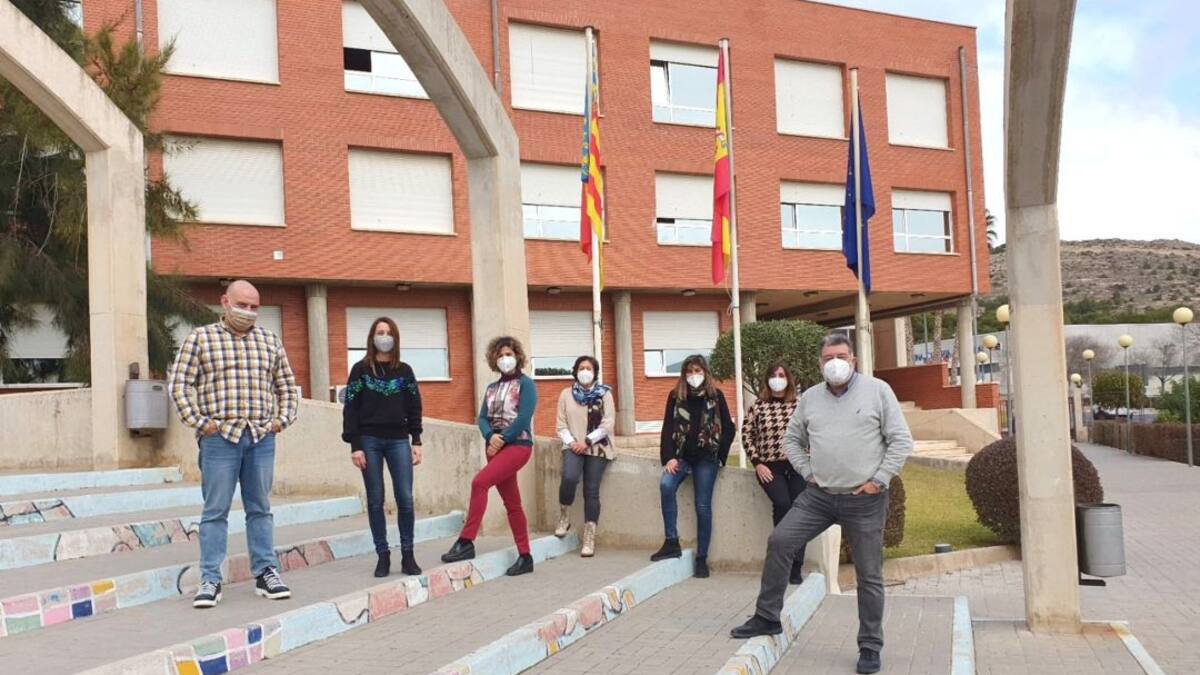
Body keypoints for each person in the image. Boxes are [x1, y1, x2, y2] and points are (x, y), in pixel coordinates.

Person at [730, 333, 913, 675]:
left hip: (865, 500)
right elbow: (792, 440)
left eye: (841, 356)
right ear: (820, 363)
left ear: (854, 360)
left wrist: (879, 480)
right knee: (780, 541)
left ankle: (870, 646)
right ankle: (767, 616)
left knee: (869, 574)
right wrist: (807, 472)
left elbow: (901, 441)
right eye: (828, 357)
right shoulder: (811, 398)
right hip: (819, 496)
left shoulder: (878, 391)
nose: (835, 363)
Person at [168, 279, 299, 609]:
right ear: (224, 302)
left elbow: (287, 387)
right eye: (242, 305)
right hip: (219, 441)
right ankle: (210, 578)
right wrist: (201, 424)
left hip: (260, 439)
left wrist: (279, 422)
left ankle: (266, 572)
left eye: (255, 307)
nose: (248, 312)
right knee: (215, 512)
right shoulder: (201, 338)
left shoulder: (270, 341)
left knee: (260, 509)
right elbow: (180, 386)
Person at [440, 336, 538, 576]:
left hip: (517, 445)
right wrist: (489, 436)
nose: (505, 359)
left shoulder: (526, 384)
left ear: (517, 356)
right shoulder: (491, 388)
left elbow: (524, 417)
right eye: (500, 355)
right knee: (512, 503)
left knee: (479, 483)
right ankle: (525, 556)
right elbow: (482, 418)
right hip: (494, 446)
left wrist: (502, 438)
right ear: (495, 359)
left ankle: (466, 541)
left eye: (509, 354)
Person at [342, 316, 424, 578]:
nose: (384, 336)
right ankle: (383, 555)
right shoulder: (360, 370)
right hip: (369, 441)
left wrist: (417, 440)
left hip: (399, 440)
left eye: (389, 332)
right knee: (375, 500)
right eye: (380, 331)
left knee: (406, 499)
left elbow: (415, 407)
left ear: (395, 337)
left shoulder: (405, 371)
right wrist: (355, 445)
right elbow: (350, 408)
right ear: (372, 337)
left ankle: (408, 555)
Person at [651, 354, 734, 579]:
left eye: (697, 371)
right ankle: (671, 542)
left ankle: (701, 559)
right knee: (666, 485)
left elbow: (728, 428)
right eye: (689, 371)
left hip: (707, 458)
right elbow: (668, 429)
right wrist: (669, 457)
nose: (693, 376)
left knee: (702, 506)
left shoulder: (716, 397)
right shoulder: (676, 396)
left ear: (705, 373)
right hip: (681, 457)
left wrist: (720, 456)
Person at [744, 362, 807, 585]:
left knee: (799, 511)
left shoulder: (799, 405)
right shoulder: (758, 406)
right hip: (770, 467)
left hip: (797, 466)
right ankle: (781, 561)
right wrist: (757, 463)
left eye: (781, 375)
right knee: (782, 505)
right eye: (773, 375)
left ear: (788, 379)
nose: (777, 378)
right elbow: (747, 436)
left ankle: (796, 564)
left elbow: (811, 433)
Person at [553, 355, 616, 557]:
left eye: (589, 368)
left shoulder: (604, 394)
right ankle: (564, 516)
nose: (585, 371)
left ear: (595, 371)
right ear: (575, 371)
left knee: (591, 490)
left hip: (598, 446)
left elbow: (608, 424)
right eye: (581, 368)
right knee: (569, 477)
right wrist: (573, 443)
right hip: (572, 446)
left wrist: (587, 441)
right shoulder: (565, 394)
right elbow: (561, 425)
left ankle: (589, 536)